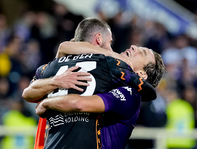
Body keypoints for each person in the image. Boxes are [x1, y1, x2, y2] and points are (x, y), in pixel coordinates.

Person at [22, 18, 165, 149]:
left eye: (143, 53)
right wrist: (55, 81)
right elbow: (66, 47)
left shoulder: (130, 94)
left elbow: (78, 104)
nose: (134, 46)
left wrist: (46, 103)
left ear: (142, 74)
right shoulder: (105, 70)